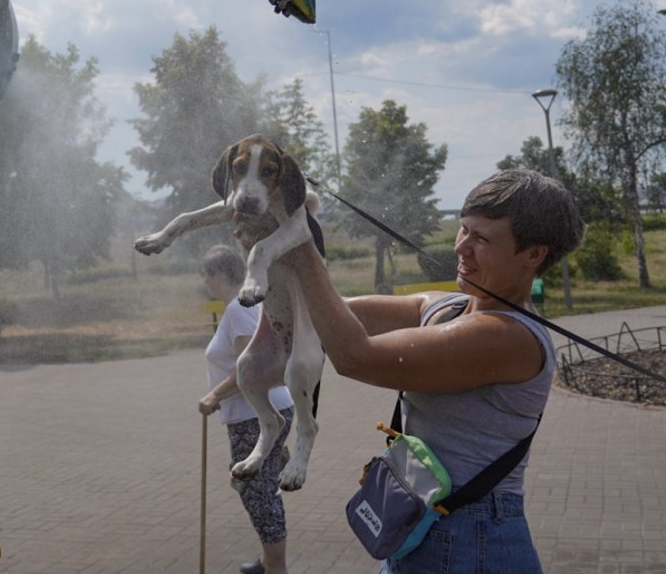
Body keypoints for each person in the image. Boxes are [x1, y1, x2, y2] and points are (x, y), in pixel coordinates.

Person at [242, 168, 583, 573]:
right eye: (463, 230)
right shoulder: (446, 307)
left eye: (483, 239)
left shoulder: (507, 337)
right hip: (424, 525)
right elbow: (324, 316)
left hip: (473, 544)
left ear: (534, 254)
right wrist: (273, 250)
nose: (462, 248)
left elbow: (356, 356)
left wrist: (298, 244)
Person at [197, 245, 295, 574]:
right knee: (252, 486)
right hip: (264, 409)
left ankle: (276, 569)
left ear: (219, 275)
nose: (205, 280)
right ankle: (268, 561)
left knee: (257, 495)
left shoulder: (239, 308)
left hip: (254, 415)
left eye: (208, 274)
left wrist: (214, 396)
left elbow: (247, 370)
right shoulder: (247, 303)